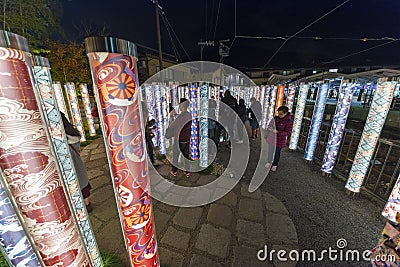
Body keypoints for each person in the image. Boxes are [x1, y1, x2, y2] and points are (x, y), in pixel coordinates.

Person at [60, 112, 93, 213]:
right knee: (83, 187)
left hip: (68, 168)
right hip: (78, 165)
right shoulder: (73, 134)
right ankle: (88, 205)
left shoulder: (60, 140)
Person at [167, 98, 192, 177]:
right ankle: (187, 171)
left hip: (179, 140)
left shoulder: (180, 117)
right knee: (186, 156)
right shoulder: (189, 115)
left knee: (176, 156)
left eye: (180, 105)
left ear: (182, 105)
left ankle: (174, 170)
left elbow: (173, 125)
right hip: (187, 139)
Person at [266, 106, 293, 172]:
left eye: (281, 114)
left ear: (286, 113)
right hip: (272, 138)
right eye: (278, 113)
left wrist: (278, 132)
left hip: (280, 140)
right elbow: (270, 125)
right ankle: (269, 162)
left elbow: (287, 132)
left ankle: (275, 164)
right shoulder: (275, 118)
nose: (279, 115)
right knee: (270, 151)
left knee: (277, 152)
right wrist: (270, 128)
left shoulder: (289, 121)